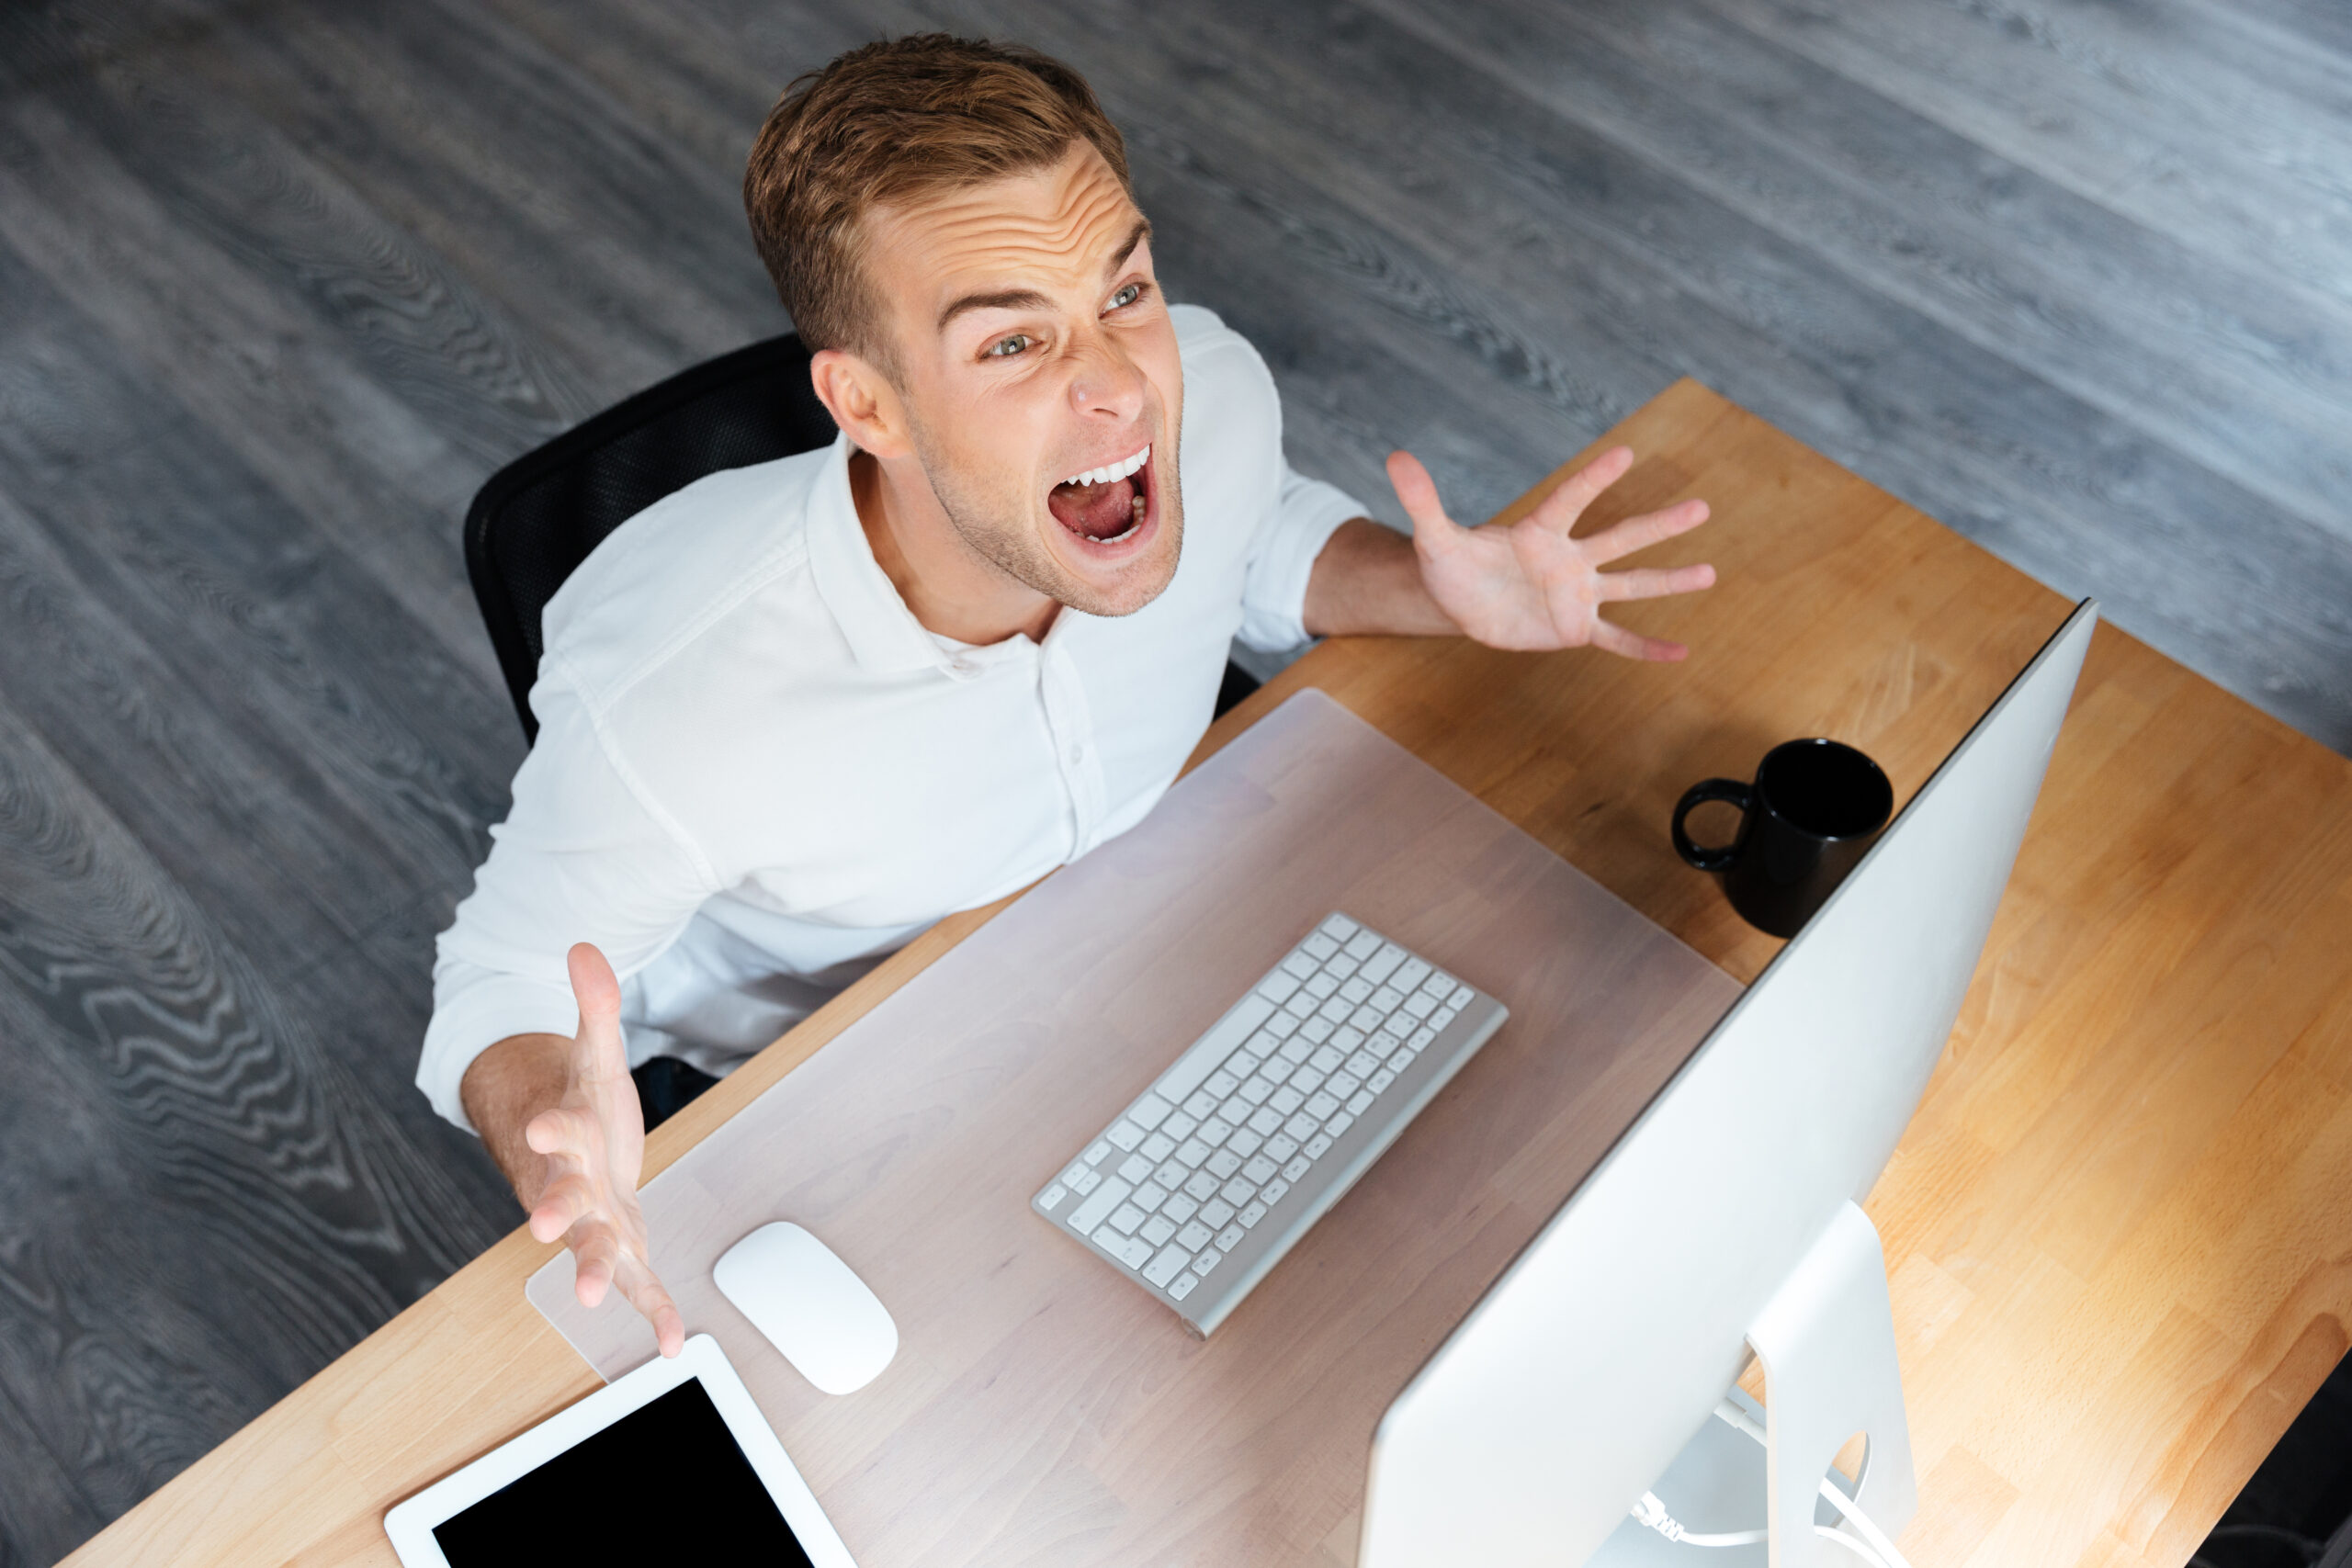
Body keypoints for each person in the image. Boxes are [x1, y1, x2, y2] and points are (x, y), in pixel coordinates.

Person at [419, 34, 1714, 1357]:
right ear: (869, 405)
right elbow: (500, 977)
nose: (1122, 386)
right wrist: (556, 1140)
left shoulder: (1209, 391)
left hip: (1173, 942)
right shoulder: (679, 691)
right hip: (877, 1081)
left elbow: (1254, 534)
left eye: (1124, 291)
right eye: (1014, 343)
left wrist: (1430, 589)